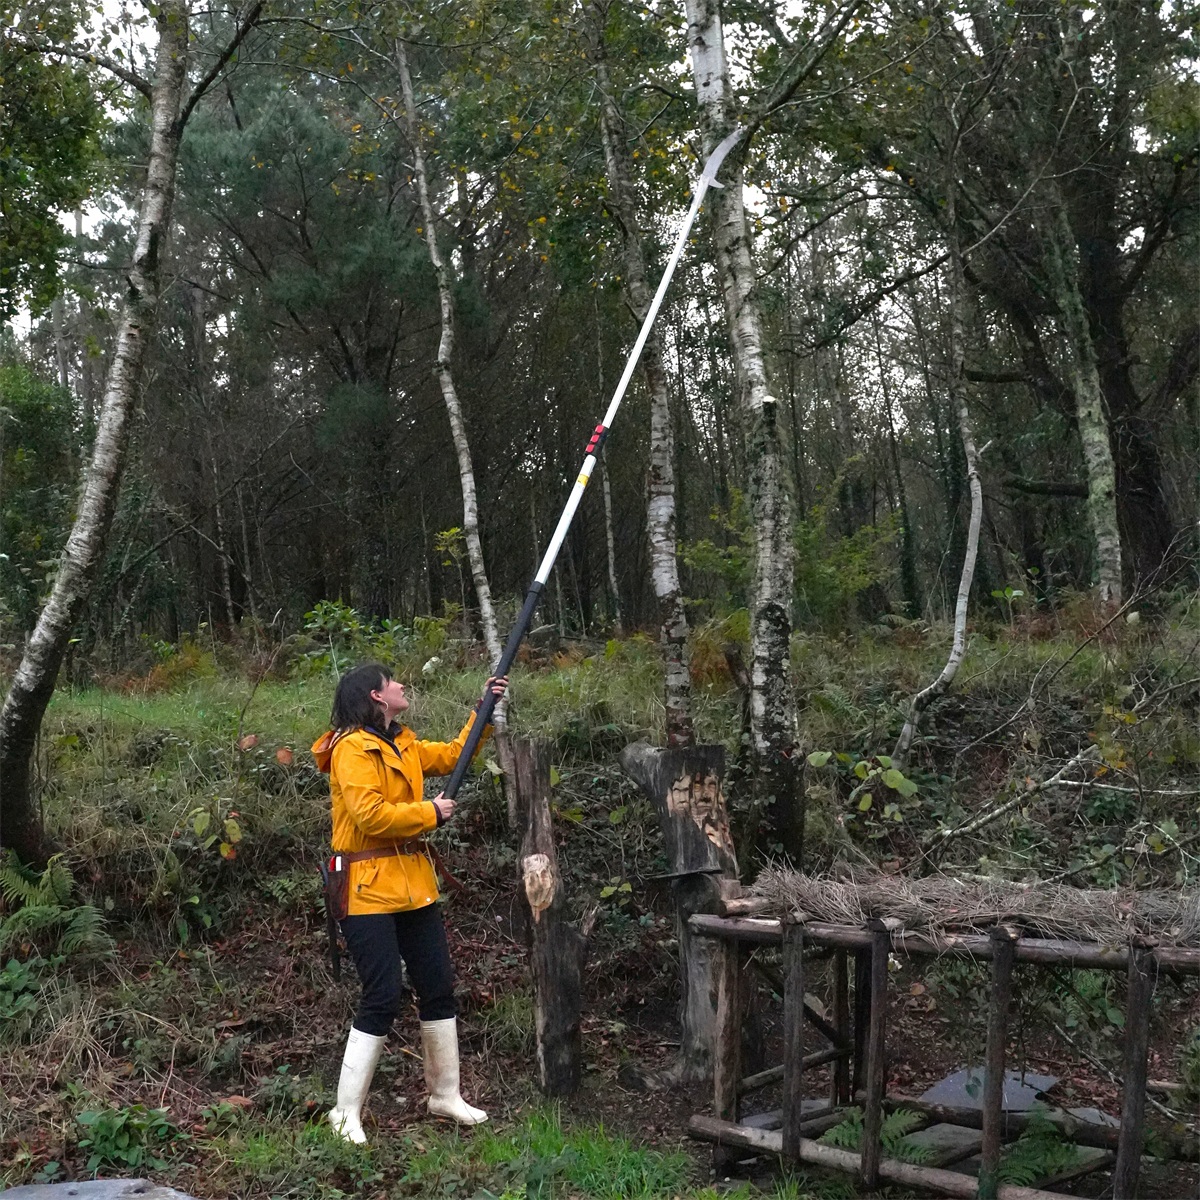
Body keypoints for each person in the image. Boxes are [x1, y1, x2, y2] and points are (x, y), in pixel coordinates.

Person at [311, 661, 507, 1144]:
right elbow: (371, 816)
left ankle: (445, 1095)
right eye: (392, 682)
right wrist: (430, 812)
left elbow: (456, 754)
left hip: (413, 884)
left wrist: (484, 707)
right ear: (376, 696)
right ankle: (344, 1113)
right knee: (381, 995)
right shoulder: (350, 748)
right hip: (365, 888)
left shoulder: (404, 742)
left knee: (437, 986)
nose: (401, 685)